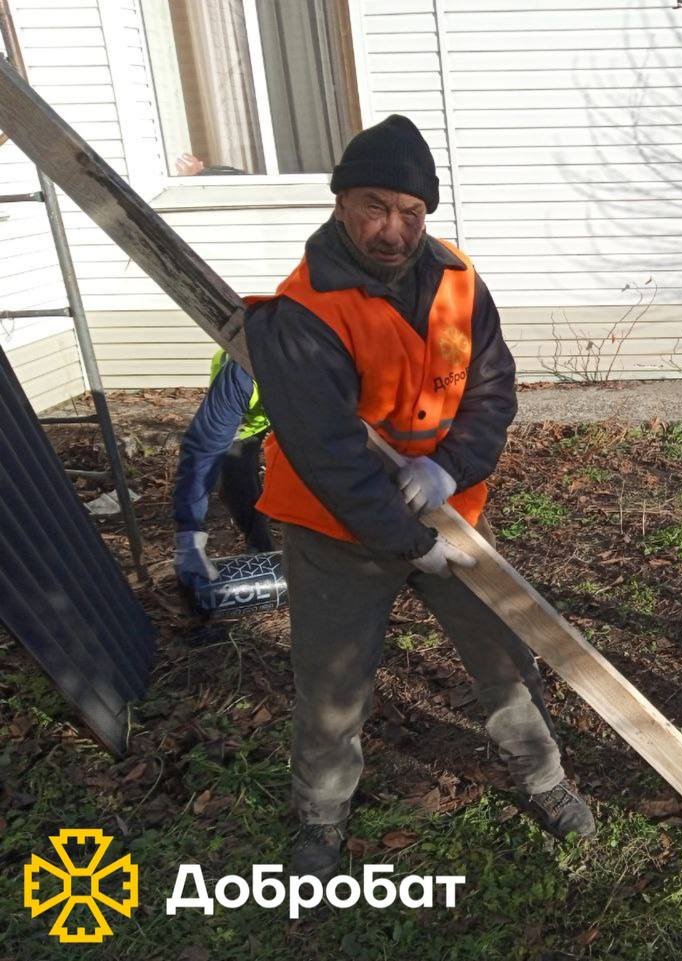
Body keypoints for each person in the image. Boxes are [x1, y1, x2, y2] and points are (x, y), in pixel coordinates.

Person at [244, 114, 594, 880]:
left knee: (505, 658)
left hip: (449, 514)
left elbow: (493, 389)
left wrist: (450, 470)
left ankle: (544, 779)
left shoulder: (459, 280)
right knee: (333, 685)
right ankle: (322, 815)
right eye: (375, 205)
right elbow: (330, 456)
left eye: (411, 212)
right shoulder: (303, 311)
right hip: (338, 531)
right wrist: (408, 543)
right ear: (340, 203)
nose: (393, 228)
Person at [172, 349, 273, 585]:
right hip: (244, 422)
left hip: (288, 408)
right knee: (238, 486)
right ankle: (262, 555)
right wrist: (189, 538)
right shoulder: (242, 375)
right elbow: (201, 455)